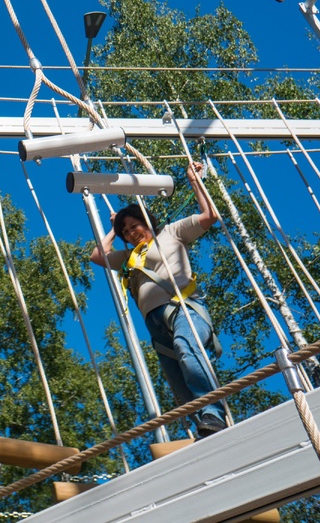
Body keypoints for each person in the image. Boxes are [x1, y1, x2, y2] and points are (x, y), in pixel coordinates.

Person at [90, 161, 228, 438]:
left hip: (184, 309)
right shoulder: (129, 258)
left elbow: (209, 215)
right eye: (126, 232)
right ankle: (206, 427)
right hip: (155, 325)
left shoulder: (171, 233)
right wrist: (115, 228)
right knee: (180, 387)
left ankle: (214, 414)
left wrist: (194, 181)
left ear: (147, 221)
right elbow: (97, 255)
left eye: (134, 226)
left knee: (187, 349)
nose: (131, 233)